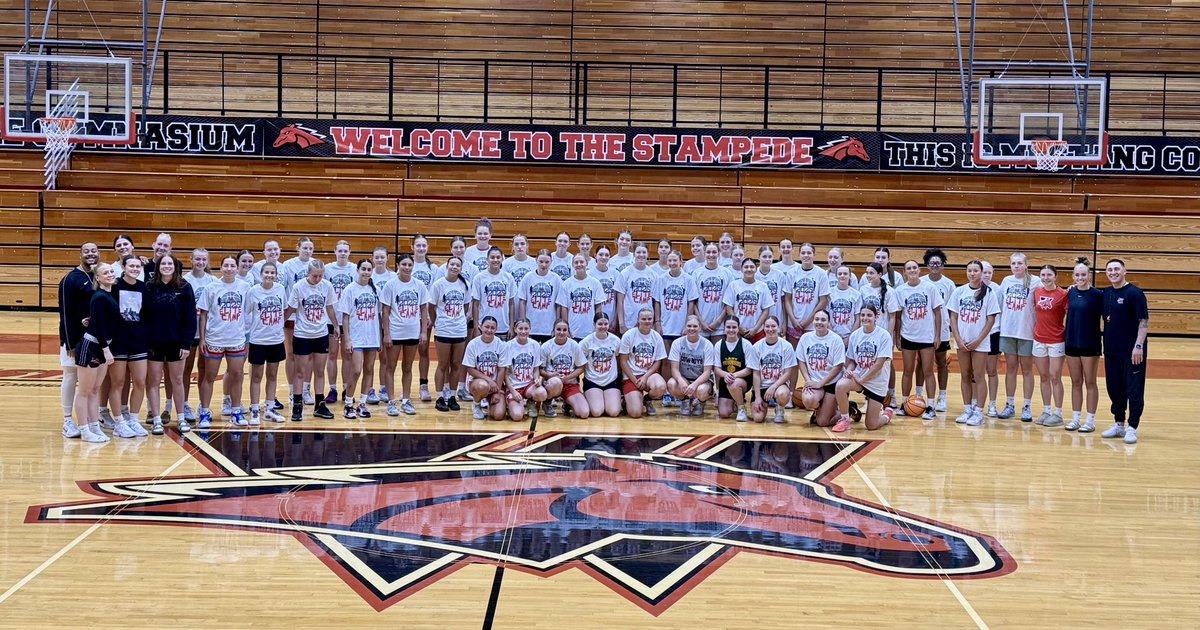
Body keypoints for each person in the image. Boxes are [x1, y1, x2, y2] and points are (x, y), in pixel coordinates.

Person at [144, 254, 196, 435]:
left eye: (170, 263)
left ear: (175, 267)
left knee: (177, 380)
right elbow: (144, 316)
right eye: (163, 263)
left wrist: (186, 344)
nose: (166, 266)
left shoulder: (184, 287)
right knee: (153, 381)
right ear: (158, 266)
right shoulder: (149, 287)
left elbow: (190, 318)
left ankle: (181, 418)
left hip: (177, 343)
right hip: (154, 343)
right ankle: (157, 419)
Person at [197, 255, 251, 427]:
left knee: (237, 375)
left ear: (236, 268)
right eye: (225, 265)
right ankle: (205, 412)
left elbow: (248, 312)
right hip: (215, 338)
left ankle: (236, 411)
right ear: (221, 268)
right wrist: (202, 339)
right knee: (209, 376)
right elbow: (203, 315)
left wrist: (247, 336)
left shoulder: (245, 287)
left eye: (232, 265)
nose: (229, 268)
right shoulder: (211, 287)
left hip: (236, 338)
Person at [1100, 259, 1149, 444]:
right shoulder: (1106, 294)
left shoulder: (1135, 294)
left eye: (1116, 269)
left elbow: (1143, 322)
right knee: (1115, 389)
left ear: (1124, 271)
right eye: (1110, 270)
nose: (1113, 272)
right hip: (1112, 351)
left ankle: (1132, 427)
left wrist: (1138, 346)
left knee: (1134, 390)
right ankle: (1119, 424)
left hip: (1132, 353)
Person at [285, 260, 339, 421]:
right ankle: (297, 405)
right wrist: (280, 323)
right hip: (302, 334)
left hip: (321, 333)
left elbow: (330, 307)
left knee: (320, 371)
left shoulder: (327, 286)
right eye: (314, 275)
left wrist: (336, 325)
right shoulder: (298, 287)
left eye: (320, 276)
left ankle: (319, 405)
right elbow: (291, 308)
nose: (317, 279)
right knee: (300, 371)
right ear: (308, 273)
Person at [948, 261, 1001, 427]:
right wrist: (957, 338)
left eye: (975, 271)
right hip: (962, 342)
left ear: (981, 272)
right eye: (969, 270)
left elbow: (991, 320)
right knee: (965, 375)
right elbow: (953, 317)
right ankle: (967, 409)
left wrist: (978, 340)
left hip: (980, 342)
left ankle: (979, 411)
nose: (972, 273)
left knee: (979, 376)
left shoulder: (989, 293)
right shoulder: (959, 292)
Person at [830, 305, 895, 433]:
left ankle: (886, 415)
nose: (865, 318)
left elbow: (878, 364)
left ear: (876, 317)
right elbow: (853, 360)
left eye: (869, 315)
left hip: (876, 381)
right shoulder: (855, 335)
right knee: (841, 385)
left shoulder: (884, 336)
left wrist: (862, 379)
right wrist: (849, 370)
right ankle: (845, 420)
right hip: (859, 377)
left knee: (871, 425)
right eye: (863, 315)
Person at [74, 263, 119, 443]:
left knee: (94, 390)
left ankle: (94, 426)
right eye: (105, 273)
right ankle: (84, 429)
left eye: (111, 271)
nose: (109, 274)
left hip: (100, 347)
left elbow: (101, 320)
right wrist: (106, 350)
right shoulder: (99, 297)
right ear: (97, 278)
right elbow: (99, 327)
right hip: (91, 347)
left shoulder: (108, 295)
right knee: (84, 391)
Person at [380, 253, 429, 416]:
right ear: (398, 266)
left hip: (412, 332)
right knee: (390, 367)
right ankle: (391, 402)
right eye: (404, 265)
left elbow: (423, 309)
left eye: (409, 265)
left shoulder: (419, 285)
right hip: (395, 332)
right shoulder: (390, 285)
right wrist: (386, 333)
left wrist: (423, 332)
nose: (407, 268)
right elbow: (385, 311)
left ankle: (406, 400)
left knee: (407, 367)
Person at [107, 255, 150, 438]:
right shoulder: (114, 287)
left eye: (137, 266)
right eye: (131, 265)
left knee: (140, 382)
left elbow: (147, 316)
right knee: (118, 383)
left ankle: (133, 419)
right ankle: (119, 422)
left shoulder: (143, 288)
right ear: (123, 267)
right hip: (118, 343)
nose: (134, 268)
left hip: (138, 342)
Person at [893, 260, 942, 419]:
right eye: (909, 268)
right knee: (907, 371)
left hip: (926, 336)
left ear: (919, 270)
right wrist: (897, 336)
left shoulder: (929, 288)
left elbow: (937, 313)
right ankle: (904, 403)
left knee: (928, 371)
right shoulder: (900, 290)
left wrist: (938, 335)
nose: (912, 270)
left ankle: (930, 406)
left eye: (914, 267)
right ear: (904, 272)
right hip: (908, 335)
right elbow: (899, 317)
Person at [58, 242, 98, 438]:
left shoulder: (99, 276)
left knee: (89, 382)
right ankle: (67, 420)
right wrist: (69, 342)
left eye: (94, 251)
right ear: (80, 254)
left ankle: (90, 418)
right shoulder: (70, 279)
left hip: (94, 340)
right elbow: (64, 312)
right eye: (86, 251)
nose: (90, 254)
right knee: (71, 376)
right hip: (74, 339)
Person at [1064, 257, 1103, 433]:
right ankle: (1076, 418)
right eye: (1077, 275)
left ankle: (1090, 420)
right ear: (1073, 276)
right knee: (1075, 381)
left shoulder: (1097, 295)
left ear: (1089, 275)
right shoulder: (1070, 292)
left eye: (1083, 274)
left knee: (1090, 382)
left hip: (1090, 343)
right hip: (1071, 342)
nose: (1080, 277)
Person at [339, 259, 382, 419]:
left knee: (369, 370)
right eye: (363, 269)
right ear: (357, 270)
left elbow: (379, 315)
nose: (366, 272)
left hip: (372, 336)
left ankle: (362, 404)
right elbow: (345, 317)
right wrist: (347, 339)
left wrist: (380, 337)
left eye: (369, 269)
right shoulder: (349, 289)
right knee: (356, 370)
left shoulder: (376, 289)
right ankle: (348, 403)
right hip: (356, 337)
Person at [245, 261, 287, 423]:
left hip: (276, 339)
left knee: (272, 375)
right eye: (266, 272)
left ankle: (269, 409)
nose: (269, 275)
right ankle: (255, 409)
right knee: (256, 376)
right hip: (258, 339)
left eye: (272, 273)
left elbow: (282, 310)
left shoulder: (280, 289)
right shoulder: (253, 291)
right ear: (261, 274)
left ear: (276, 275)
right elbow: (247, 313)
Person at [998, 253, 1037, 420]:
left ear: (1026, 265)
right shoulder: (1006, 281)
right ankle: (1010, 404)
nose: (1016, 266)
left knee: (1027, 370)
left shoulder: (1035, 282)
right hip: (1008, 331)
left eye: (1019, 263)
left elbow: (1050, 291)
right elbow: (1000, 304)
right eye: (1013, 263)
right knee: (1011, 369)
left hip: (1026, 332)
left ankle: (1027, 406)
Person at [429, 256, 471, 412]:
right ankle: (440, 396)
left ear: (461, 268)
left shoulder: (464, 285)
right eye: (452, 264)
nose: (454, 267)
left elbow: (466, 306)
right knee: (442, 364)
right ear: (447, 266)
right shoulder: (438, 285)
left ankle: (452, 396)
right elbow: (431, 307)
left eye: (458, 265)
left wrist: (460, 320)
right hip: (443, 329)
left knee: (456, 364)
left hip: (459, 329)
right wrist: (437, 322)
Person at [860, 262, 901, 404]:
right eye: (867, 273)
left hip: (883, 335)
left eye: (871, 273)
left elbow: (892, 316)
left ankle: (891, 395)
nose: (868, 275)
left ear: (880, 274)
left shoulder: (889, 291)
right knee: (870, 364)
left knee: (888, 366)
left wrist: (889, 337)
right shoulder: (863, 289)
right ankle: (869, 396)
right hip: (867, 334)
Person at [1032, 264, 1068, 427]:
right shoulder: (1036, 292)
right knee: (1044, 376)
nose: (1046, 278)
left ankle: (1058, 413)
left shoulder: (1063, 294)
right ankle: (1046, 410)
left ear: (1055, 276)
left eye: (1049, 275)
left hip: (1056, 340)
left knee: (1055, 376)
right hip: (1039, 339)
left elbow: (1072, 314)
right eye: (1043, 275)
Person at [182, 248, 216, 423]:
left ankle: (203, 404)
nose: (200, 262)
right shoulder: (184, 281)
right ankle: (185, 404)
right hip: (189, 331)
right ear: (191, 260)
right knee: (186, 369)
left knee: (204, 368)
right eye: (197, 259)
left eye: (203, 259)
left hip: (207, 331)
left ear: (207, 261)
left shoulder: (213, 281)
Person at [323, 240, 358, 405]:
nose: (343, 253)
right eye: (340, 251)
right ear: (335, 252)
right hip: (331, 318)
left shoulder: (354, 269)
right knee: (332, 354)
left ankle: (346, 388)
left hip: (348, 319)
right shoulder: (328, 269)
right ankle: (332, 389)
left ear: (349, 252)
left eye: (346, 250)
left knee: (347, 356)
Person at [797, 310, 846, 426]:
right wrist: (808, 380)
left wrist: (821, 383)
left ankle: (846, 410)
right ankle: (822, 408)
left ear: (829, 322)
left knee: (823, 422)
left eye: (823, 320)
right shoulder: (805, 338)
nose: (819, 322)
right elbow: (801, 361)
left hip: (832, 383)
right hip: (814, 382)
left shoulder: (836, 339)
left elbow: (838, 367)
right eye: (817, 319)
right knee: (808, 401)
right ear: (813, 321)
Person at [920, 248, 955, 412]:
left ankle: (942, 397)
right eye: (932, 263)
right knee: (921, 363)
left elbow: (953, 309)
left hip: (942, 330)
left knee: (941, 362)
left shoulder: (948, 284)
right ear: (927, 265)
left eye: (938, 263)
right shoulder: (921, 282)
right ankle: (919, 395)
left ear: (942, 266)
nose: (935, 265)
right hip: (923, 329)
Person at [618, 308, 668, 417]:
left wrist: (645, 377)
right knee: (635, 413)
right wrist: (635, 380)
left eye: (649, 319)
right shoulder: (629, 335)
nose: (647, 321)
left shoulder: (656, 337)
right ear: (638, 320)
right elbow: (623, 361)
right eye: (643, 319)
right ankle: (628, 400)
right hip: (631, 376)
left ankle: (647, 399)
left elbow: (657, 362)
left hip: (648, 375)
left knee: (660, 387)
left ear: (653, 320)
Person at [748, 317, 797, 424]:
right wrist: (757, 397)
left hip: (779, 386)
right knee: (758, 418)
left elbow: (788, 373)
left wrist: (773, 387)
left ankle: (779, 409)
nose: (770, 329)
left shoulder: (786, 346)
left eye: (773, 326)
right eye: (768, 326)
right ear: (763, 328)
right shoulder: (756, 347)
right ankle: (763, 404)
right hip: (761, 387)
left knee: (783, 394)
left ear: (778, 328)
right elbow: (755, 374)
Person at [410, 236, 440, 403]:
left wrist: (429, 314)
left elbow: (432, 294)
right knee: (409, 353)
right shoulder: (407, 264)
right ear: (412, 247)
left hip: (425, 316)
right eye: (418, 245)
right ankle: (406, 388)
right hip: (408, 316)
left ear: (427, 247)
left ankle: (423, 386)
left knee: (423, 351)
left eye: (423, 245)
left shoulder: (433, 268)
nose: (421, 248)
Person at [666, 315, 715, 416]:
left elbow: (707, 372)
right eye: (689, 326)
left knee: (701, 391)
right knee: (671, 384)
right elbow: (674, 369)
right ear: (685, 327)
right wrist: (680, 381)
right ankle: (685, 401)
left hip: (701, 380)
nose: (692, 328)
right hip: (684, 378)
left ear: (700, 328)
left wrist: (695, 384)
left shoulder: (707, 345)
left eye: (695, 326)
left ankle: (700, 402)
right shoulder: (677, 343)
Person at [501, 318, 549, 421]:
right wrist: (513, 391)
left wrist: (536, 379)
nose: (523, 331)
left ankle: (530, 402)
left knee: (542, 393)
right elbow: (504, 374)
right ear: (515, 329)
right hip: (513, 387)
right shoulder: (507, 346)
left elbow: (536, 369)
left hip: (528, 386)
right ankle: (511, 404)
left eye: (526, 328)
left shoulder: (535, 345)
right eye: (520, 328)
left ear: (530, 330)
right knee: (518, 416)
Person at [541, 320, 589, 417]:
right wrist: (550, 375)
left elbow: (581, 367)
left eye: (564, 330)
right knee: (556, 382)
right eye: (558, 329)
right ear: (553, 330)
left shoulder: (574, 345)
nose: (561, 332)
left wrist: (568, 377)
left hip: (570, 384)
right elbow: (539, 370)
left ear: (568, 331)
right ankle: (547, 402)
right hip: (553, 384)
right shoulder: (546, 346)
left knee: (584, 413)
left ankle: (567, 404)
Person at [784, 242, 829, 345]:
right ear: (799, 255)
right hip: (794, 324)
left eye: (809, 253)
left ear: (814, 255)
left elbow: (823, 301)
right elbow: (787, 299)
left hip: (812, 324)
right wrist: (793, 320)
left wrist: (808, 321)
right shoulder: (792, 273)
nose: (806, 255)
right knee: (794, 357)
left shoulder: (821, 274)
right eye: (803, 253)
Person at [579, 312, 624, 418]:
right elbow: (579, 363)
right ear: (594, 324)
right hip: (593, 381)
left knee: (613, 412)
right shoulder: (586, 342)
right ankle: (587, 398)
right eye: (600, 324)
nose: (603, 327)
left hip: (611, 381)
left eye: (605, 324)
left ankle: (619, 401)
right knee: (597, 412)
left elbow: (619, 359)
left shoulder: (616, 340)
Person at [463, 316, 507, 420]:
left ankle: (495, 403)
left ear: (496, 329)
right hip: (478, 383)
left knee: (498, 415)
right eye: (486, 327)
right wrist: (488, 380)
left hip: (495, 385)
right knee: (483, 385)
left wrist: (497, 391)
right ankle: (476, 404)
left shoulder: (501, 345)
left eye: (492, 328)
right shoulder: (473, 344)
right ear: (480, 327)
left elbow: (501, 369)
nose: (489, 330)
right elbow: (470, 369)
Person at [712, 315, 755, 421]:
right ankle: (735, 401)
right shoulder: (719, 345)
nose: (731, 330)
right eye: (728, 327)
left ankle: (741, 408)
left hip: (742, 380)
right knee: (724, 413)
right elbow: (717, 369)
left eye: (734, 327)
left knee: (734, 383)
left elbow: (749, 369)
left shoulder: (746, 344)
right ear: (724, 328)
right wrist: (726, 375)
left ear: (738, 328)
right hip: (725, 380)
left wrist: (734, 376)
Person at [471, 246, 517, 340]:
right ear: (487, 259)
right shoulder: (479, 278)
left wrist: (511, 326)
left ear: (502, 259)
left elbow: (511, 304)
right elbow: (475, 304)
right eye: (492, 257)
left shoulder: (508, 278)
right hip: (484, 327)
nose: (495, 260)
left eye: (498, 257)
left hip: (504, 326)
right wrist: (476, 327)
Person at [723, 257, 772, 342]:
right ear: (741, 269)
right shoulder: (733, 285)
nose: (749, 269)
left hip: (758, 332)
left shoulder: (763, 286)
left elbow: (766, 310)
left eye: (752, 267)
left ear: (756, 269)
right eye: (746, 267)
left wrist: (755, 329)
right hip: (737, 332)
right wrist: (738, 326)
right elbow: (729, 308)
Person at [694, 243, 735, 341]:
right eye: (708, 252)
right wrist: (701, 322)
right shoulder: (697, 273)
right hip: (701, 325)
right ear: (704, 253)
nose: (711, 255)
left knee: (718, 355)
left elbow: (729, 302)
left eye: (714, 252)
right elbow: (693, 302)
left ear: (719, 254)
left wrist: (719, 321)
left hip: (720, 326)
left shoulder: (727, 273)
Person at [519, 249, 562, 343]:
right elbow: (522, 301)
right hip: (531, 325)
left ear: (551, 262)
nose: (544, 265)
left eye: (547, 262)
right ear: (536, 260)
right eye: (541, 261)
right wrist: (523, 323)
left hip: (549, 326)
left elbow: (558, 304)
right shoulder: (528, 277)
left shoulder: (556, 279)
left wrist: (557, 324)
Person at [558, 253, 604, 341]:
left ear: (586, 263)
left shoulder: (595, 283)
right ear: (573, 265)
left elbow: (598, 306)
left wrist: (597, 326)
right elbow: (564, 308)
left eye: (581, 262)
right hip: (573, 330)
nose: (579, 264)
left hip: (590, 330)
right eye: (576, 262)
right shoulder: (566, 284)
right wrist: (566, 328)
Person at [616, 243, 656, 335]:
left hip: (647, 320)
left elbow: (655, 301)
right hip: (629, 320)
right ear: (634, 254)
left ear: (648, 254)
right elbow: (620, 301)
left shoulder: (653, 275)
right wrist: (621, 323)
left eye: (644, 252)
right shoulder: (625, 273)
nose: (641, 255)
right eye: (638, 252)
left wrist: (655, 321)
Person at [826, 264, 862, 342]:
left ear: (850, 276)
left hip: (850, 336)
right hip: (832, 336)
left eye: (845, 274)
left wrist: (850, 338)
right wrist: (834, 336)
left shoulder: (856, 295)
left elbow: (858, 319)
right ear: (836, 276)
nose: (842, 276)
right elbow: (826, 318)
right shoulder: (829, 294)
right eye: (840, 274)